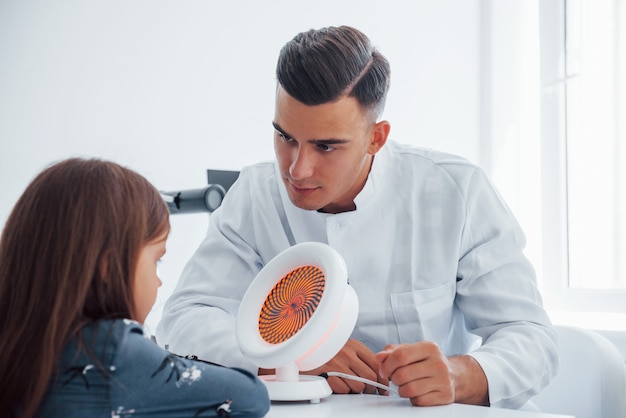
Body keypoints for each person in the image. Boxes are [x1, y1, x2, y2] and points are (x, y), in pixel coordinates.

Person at [157, 25, 558, 409]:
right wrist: (289, 356)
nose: (297, 169)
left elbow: (531, 339)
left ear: (376, 138)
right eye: (285, 137)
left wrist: (460, 375)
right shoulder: (253, 194)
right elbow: (183, 320)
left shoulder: (456, 191)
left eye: (326, 147)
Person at [0, 158, 270, 418]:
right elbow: (250, 397)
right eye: (156, 260)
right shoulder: (111, 349)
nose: (159, 281)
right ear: (109, 266)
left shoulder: (16, 340)